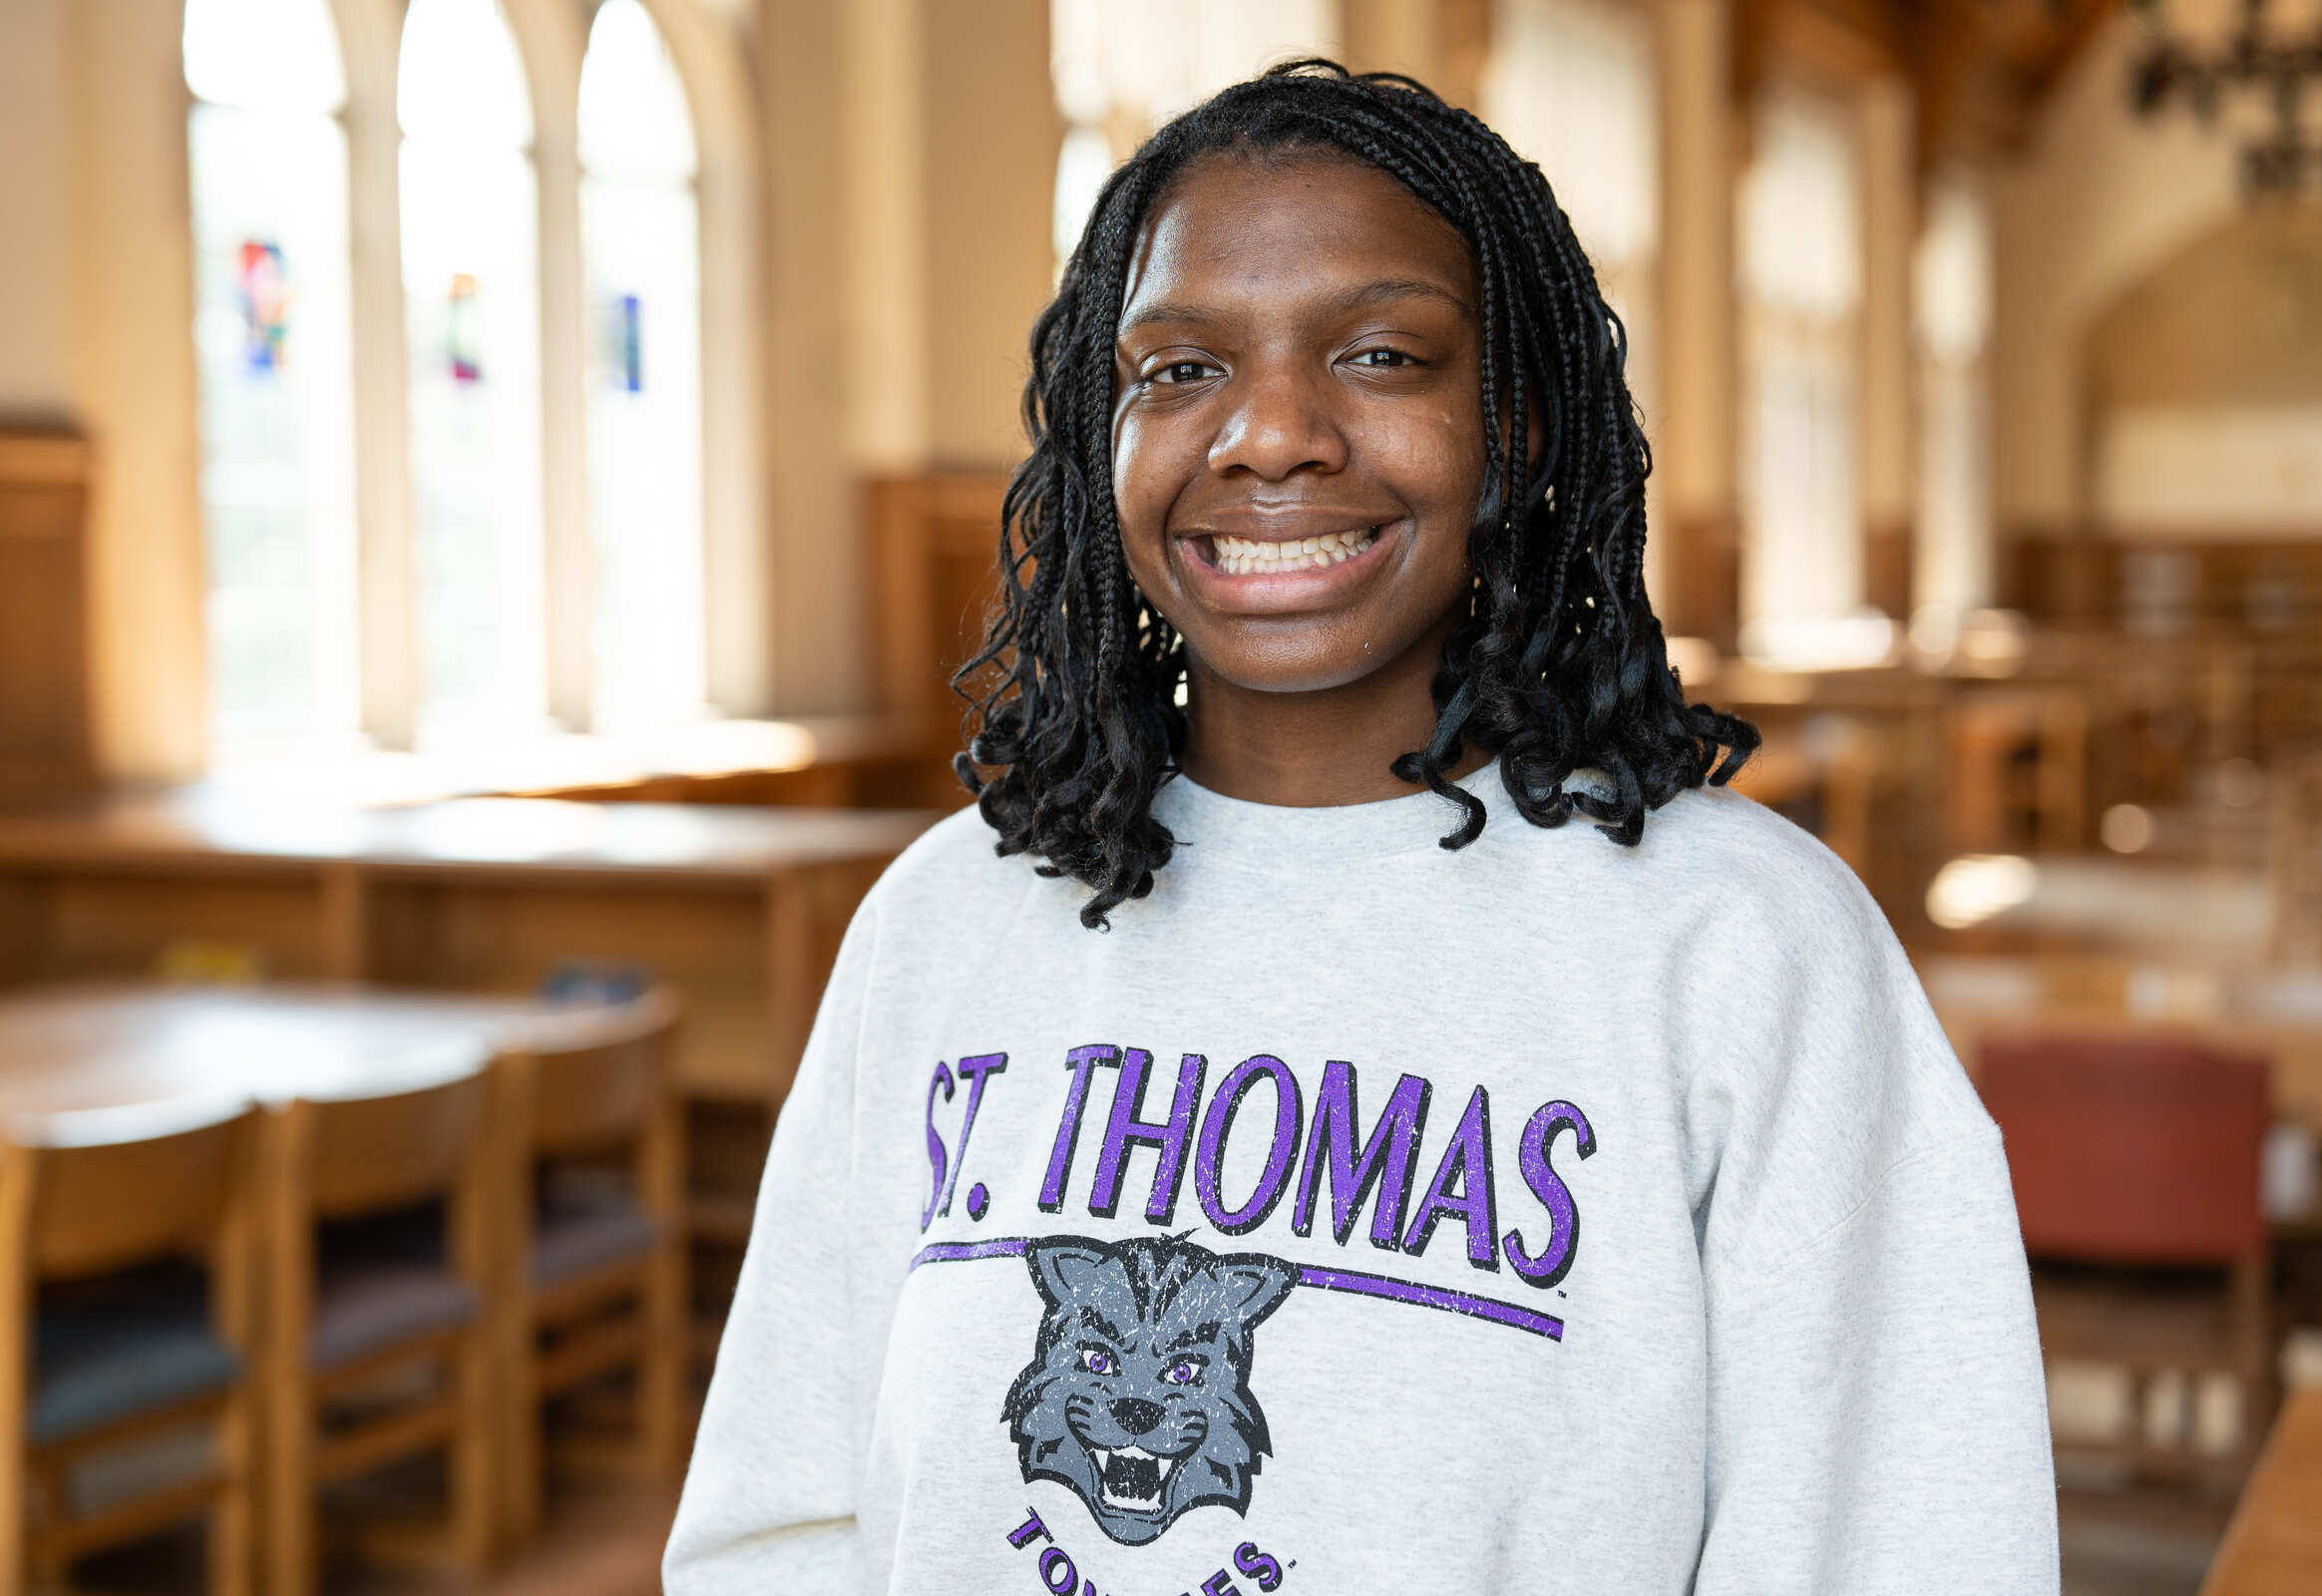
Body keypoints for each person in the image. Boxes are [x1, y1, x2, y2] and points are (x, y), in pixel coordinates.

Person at [665, 61, 2056, 1595]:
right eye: (1179, 368)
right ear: (1095, 436)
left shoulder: (1747, 951)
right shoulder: (947, 923)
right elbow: (782, 1529)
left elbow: (1904, 1543)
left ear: (1517, 430)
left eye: (1383, 353)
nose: (1270, 433)